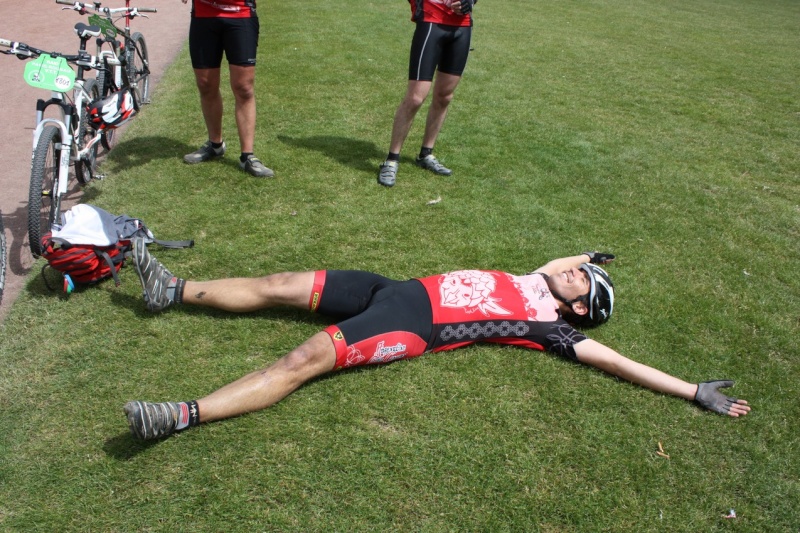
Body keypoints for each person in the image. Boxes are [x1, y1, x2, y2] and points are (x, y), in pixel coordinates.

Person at [123, 239, 750, 439]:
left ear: (579, 306)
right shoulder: (536, 279)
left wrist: (693, 389)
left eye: (579, 276)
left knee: (303, 358)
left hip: (412, 326)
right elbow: (563, 261)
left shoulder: (548, 326)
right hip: (395, 288)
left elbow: (613, 358)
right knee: (282, 282)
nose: (570, 269)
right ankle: (171, 290)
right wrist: (588, 252)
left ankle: (180, 416)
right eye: (577, 266)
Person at [377, 0, 478, 187]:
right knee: (415, 98)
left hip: (462, 28)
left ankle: (426, 154)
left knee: (444, 96)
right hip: (431, 22)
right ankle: (391, 160)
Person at [179, 0, 274, 178]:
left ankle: (248, 156)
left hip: (240, 14)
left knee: (244, 87)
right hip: (204, 15)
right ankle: (215, 145)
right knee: (206, 84)